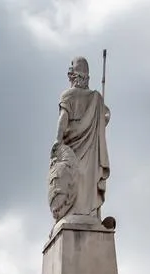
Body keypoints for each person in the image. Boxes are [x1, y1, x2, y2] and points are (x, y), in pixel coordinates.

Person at [51, 56, 110, 221]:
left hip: (72, 149)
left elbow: (63, 118)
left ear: (72, 76)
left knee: (74, 179)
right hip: (90, 148)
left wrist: (57, 140)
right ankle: (89, 214)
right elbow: (106, 117)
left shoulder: (68, 95)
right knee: (87, 179)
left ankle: (74, 214)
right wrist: (98, 118)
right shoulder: (96, 98)